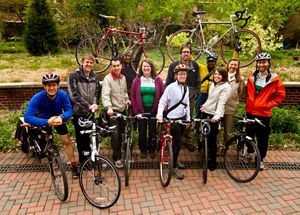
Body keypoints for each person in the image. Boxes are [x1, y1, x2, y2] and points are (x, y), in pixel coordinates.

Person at [24, 73, 79, 179]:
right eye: (48, 85)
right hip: (44, 120)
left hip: (58, 119)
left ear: (57, 86)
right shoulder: (38, 97)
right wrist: (46, 122)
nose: (51, 88)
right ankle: (50, 160)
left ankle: (74, 166)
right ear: (44, 87)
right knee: (46, 144)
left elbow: (69, 111)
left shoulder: (62, 95)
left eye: (54, 85)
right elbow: (28, 117)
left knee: (67, 141)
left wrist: (61, 117)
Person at [245, 53, 285, 170]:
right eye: (259, 62)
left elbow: (280, 96)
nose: (262, 64)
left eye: (264, 62)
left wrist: (268, 105)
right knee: (249, 135)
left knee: (263, 138)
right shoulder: (251, 76)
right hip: (250, 111)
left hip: (264, 114)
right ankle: (250, 153)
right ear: (257, 64)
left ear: (268, 63)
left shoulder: (275, 79)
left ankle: (260, 159)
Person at [157, 63, 190, 180]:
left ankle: (174, 160)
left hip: (182, 120)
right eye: (180, 74)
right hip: (172, 120)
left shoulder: (186, 88)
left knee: (178, 144)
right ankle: (174, 166)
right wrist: (160, 115)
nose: (182, 76)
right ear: (176, 75)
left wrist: (188, 119)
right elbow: (162, 102)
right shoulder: (170, 88)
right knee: (178, 143)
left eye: (184, 74)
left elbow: (187, 105)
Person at [165, 44, 200, 154]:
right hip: (175, 98)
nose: (186, 54)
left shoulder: (194, 65)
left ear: (190, 54)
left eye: (188, 52)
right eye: (184, 52)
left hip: (190, 97)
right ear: (180, 54)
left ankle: (187, 140)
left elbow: (198, 81)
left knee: (187, 119)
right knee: (173, 120)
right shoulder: (174, 65)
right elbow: (168, 81)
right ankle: (170, 140)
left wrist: (196, 93)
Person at [68, 54, 101, 165]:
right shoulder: (74, 75)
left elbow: (97, 92)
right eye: (87, 62)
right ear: (82, 62)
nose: (89, 64)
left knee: (90, 136)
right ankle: (83, 162)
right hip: (78, 112)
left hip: (90, 112)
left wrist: (95, 103)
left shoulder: (95, 76)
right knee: (81, 137)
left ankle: (90, 159)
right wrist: (88, 105)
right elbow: (74, 95)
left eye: (91, 63)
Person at [131, 59, 164, 159]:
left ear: (151, 68)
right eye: (144, 66)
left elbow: (162, 95)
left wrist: (160, 111)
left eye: (148, 66)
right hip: (141, 110)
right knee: (142, 131)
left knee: (152, 131)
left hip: (154, 110)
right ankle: (143, 150)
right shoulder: (137, 80)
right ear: (141, 68)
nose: (146, 68)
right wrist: (136, 111)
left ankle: (152, 149)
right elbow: (132, 96)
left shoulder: (157, 80)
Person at [102, 57, 131, 168]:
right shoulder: (107, 79)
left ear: (121, 66)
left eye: (117, 65)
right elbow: (105, 95)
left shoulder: (122, 78)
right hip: (113, 112)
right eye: (113, 66)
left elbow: (124, 92)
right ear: (111, 67)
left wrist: (127, 99)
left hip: (123, 110)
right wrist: (108, 107)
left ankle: (123, 153)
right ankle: (117, 158)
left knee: (122, 134)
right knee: (115, 136)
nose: (116, 67)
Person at [200, 67, 231, 171]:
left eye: (219, 74)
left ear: (224, 76)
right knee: (204, 135)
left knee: (212, 139)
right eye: (215, 74)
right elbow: (210, 99)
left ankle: (213, 161)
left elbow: (222, 103)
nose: (216, 76)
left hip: (214, 116)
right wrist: (204, 106)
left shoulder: (226, 87)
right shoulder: (213, 84)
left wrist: (217, 116)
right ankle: (204, 156)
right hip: (206, 112)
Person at [223, 58, 245, 145]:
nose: (233, 66)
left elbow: (241, 93)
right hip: (219, 107)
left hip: (230, 108)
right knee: (216, 129)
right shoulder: (222, 75)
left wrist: (234, 99)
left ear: (238, 67)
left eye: (235, 65)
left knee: (228, 131)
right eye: (231, 64)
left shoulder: (240, 79)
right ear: (228, 65)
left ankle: (226, 147)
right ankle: (218, 147)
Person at [195, 54, 218, 118]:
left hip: (213, 95)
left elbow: (230, 64)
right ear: (207, 62)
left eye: (212, 61)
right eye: (209, 61)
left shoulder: (218, 70)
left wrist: (236, 51)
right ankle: (196, 126)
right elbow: (193, 61)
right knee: (198, 112)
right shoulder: (202, 68)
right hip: (202, 94)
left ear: (215, 62)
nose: (211, 63)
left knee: (210, 113)